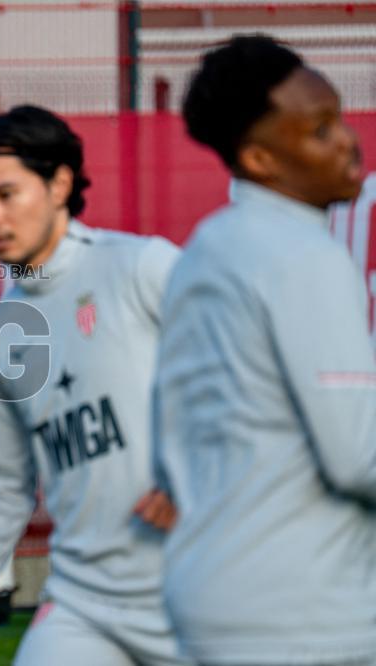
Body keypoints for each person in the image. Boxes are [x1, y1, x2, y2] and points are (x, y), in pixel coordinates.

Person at [0, 105, 190, 666]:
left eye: (6, 194)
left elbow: (254, 372)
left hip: (198, 589)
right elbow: (5, 488)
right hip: (84, 602)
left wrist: (188, 473)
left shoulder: (143, 269)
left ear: (60, 183)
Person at [153, 35, 376, 666]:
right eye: (319, 130)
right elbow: (359, 458)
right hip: (301, 612)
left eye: (338, 117)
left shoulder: (211, 246)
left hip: (217, 593)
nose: (347, 141)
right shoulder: (303, 256)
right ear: (259, 158)